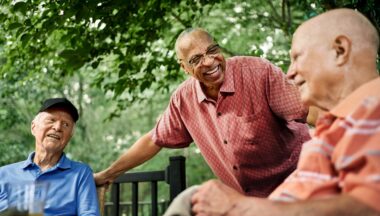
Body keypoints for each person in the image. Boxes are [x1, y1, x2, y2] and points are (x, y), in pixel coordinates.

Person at [187, 8, 380, 216]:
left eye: (297, 57)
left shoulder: (373, 111)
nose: (290, 72)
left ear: (340, 50)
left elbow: (370, 209)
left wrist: (239, 209)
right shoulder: (340, 125)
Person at [95, 28, 311, 197]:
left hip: (298, 185)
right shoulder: (183, 99)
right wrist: (108, 174)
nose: (208, 62)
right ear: (184, 68)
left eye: (212, 51)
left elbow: (309, 109)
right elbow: (155, 139)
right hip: (246, 201)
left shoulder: (258, 72)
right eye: (196, 59)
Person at [0, 98, 100, 216]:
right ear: (33, 127)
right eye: (51, 120)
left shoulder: (81, 173)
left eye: (65, 124)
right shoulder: (3, 174)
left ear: (70, 135)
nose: (57, 127)